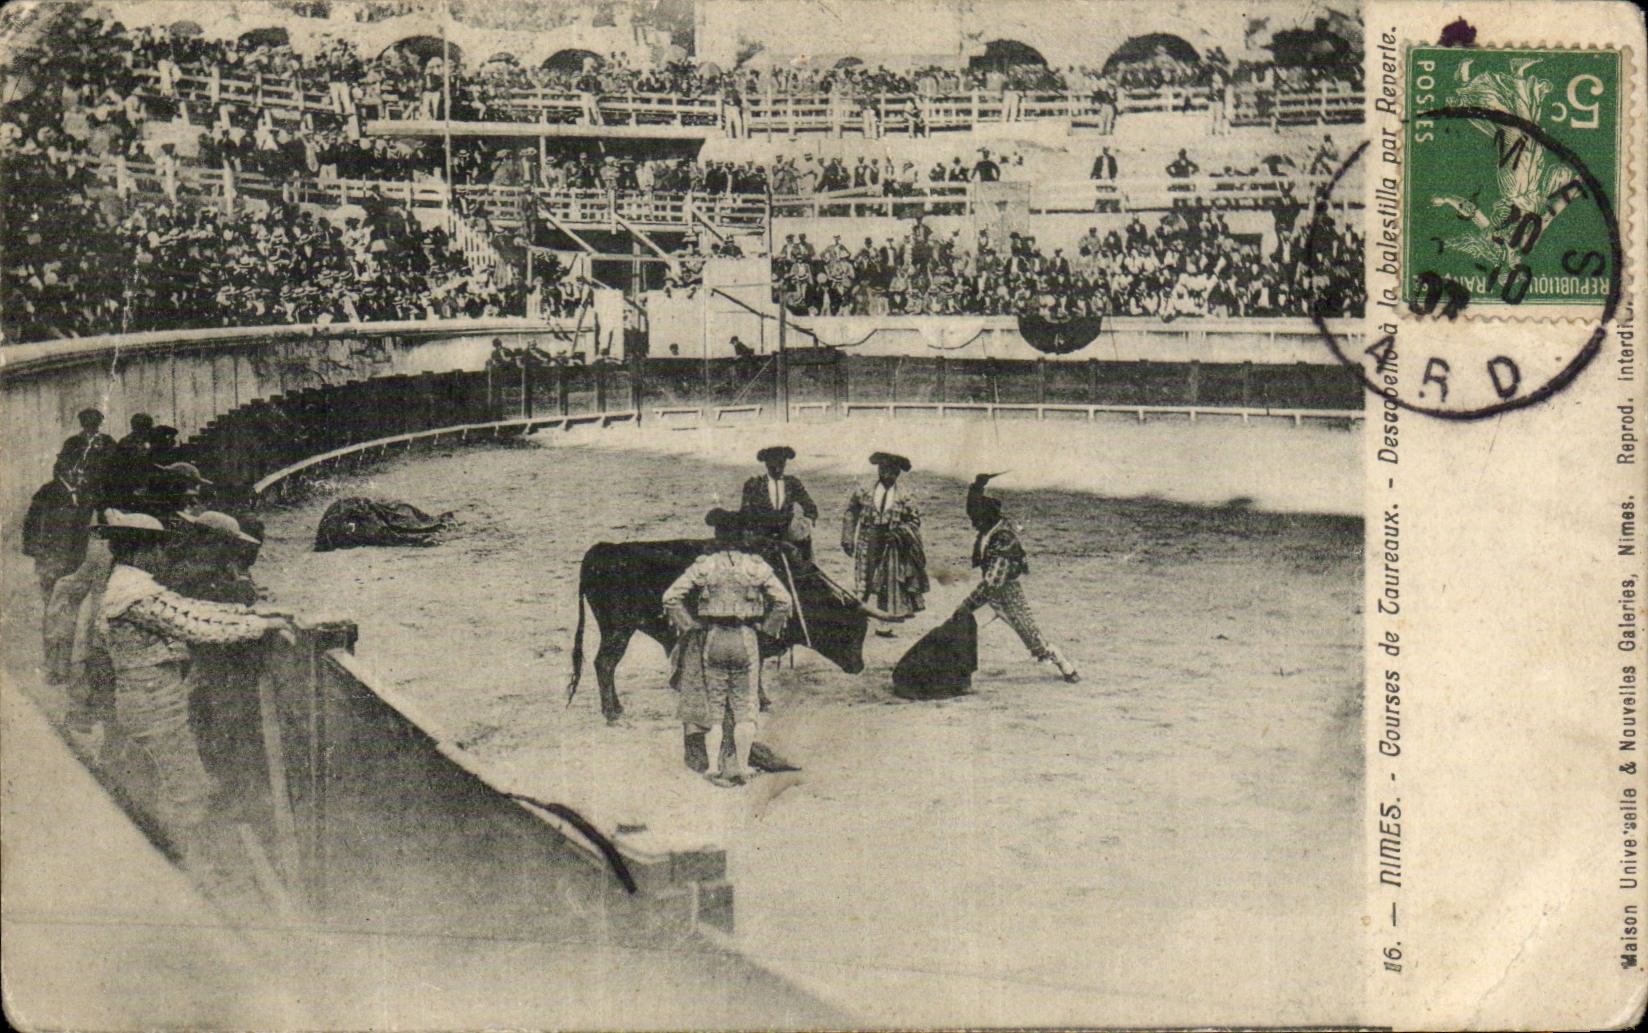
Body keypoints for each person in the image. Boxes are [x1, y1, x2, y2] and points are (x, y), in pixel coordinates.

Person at [96, 510, 291, 860]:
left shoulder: (128, 586)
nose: (162, 555)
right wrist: (261, 625)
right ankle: (177, 869)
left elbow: (189, 610)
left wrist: (251, 616)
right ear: (141, 551)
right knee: (186, 790)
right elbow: (196, 625)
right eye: (157, 548)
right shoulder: (135, 593)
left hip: (149, 698)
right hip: (154, 702)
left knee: (168, 783)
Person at [662, 509, 792, 787]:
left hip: (713, 637)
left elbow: (670, 598)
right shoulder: (755, 565)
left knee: (715, 706)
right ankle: (742, 766)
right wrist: (766, 629)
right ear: (742, 537)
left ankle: (712, 767)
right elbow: (784, 601)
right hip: (745, 637)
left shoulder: (705, 565)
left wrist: (689, 626)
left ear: (718, 536)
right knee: (745, 706)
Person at [955, 474, 1080, 682]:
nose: (973, 524)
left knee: (1032, 638)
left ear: (988, 518)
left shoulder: (1004, 539)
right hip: (991, 595)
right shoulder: (990, 528)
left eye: (977, 519)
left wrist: (968, 603)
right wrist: (977, 485)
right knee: (961, 624)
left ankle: (1064, 664)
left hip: (1007, 595)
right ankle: (960, 672)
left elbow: (993, 583)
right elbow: (972, 505)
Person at [842, 451, 928, 635]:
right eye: (884, 469)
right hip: (868, 540)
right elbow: (851, 512)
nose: (888, 473)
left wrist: (900, 533)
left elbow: (914, 521)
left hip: (891, 545)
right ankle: (857, 619)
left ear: (898, 473)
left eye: (892, 470)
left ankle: (883, 624)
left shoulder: (905, 496)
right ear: (879, 469)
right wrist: (848, 537)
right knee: (862, 579)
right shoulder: (865, 490)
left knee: (886, 583)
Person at [23, 467, 93, 603]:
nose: (81, 475)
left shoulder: (81, 493)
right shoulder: (48, 491)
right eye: (77, 470)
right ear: (66, 470)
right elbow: (32, 523)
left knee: (67, 597)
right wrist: (38, 551)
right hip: (52, 557)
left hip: (74, 557)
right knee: (50, 596)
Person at [739, 445, 819, 560]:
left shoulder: (792, 483)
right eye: (773, 466)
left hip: (788, 536)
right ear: (766, 465)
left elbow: (810, 507)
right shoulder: (754, 485)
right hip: (762, 537)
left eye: (780, 465)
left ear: (785, 464)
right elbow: (745, 513)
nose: (777, 469)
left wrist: (805, 524)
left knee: (802, 564)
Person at [55, 408, 116, 503]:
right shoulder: (72, 442)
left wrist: (90, 476)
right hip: (73, 486)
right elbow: (60, 465)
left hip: (99, 487)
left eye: (93, 426)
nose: (90, 430)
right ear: (82, 424)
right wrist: (69, 477)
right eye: (87, 426)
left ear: (98, 424)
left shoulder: (107, 442)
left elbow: (113, 465)